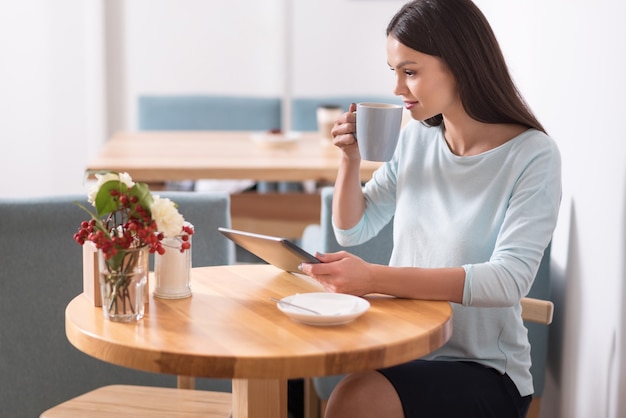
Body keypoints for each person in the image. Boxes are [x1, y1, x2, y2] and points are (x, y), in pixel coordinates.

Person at [298, 0, 562, 417]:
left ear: (460, 64)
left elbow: (507, 281)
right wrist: (349, 161)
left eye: (410, 72)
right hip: (405, 347)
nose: (397, 89)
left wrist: (373, 278)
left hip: (485, 370)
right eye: (395, 73)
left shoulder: (532, 155)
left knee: (354, 399)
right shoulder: (417, 139)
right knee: (347, 388)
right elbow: (354, 229)